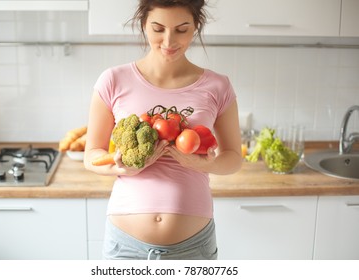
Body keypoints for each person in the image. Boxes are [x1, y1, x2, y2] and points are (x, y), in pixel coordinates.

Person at [84, 0, 242, 260]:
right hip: (126, 248)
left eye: (181, 30)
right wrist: (121, 167)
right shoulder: (113, 80)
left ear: (196, 27)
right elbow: (92, 155)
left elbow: (234, 158)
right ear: (144, 25)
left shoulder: (218, 86)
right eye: (158, 29)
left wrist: (201, 164)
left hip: (193, 247)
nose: (169, 41)